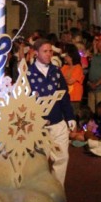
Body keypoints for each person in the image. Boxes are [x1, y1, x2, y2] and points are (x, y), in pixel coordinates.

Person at [26, 39, 76, 186]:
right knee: (39, 162)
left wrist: (70, 117)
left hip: (57, 122)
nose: (49, 54)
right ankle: (40, 193)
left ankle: (57, 191)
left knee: (62, 158)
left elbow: (64, 95)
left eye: (50, 51)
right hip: (38, 125)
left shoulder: (56, 71)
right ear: (36, 53)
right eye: (45, 51)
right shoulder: (27, 73)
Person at [60, 43, 85, 118]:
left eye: (66, 55)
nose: (64, 57)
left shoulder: (78, 67)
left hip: (74, 98)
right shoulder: (64, 67)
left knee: (72, 118)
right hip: (64, 97)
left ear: (71, 56)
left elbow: (70, 81)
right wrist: (65, 79)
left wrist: (63, 78)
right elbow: (59, 79)